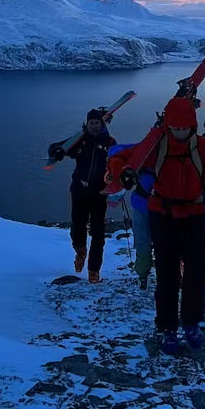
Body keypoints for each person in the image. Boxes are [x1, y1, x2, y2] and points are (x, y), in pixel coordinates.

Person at [141, 96, 205, 355]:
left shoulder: (202, 148)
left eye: (184, 128)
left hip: (193, 216)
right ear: (168, 125)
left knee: (196, 274)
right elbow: (134, 164)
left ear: (192, 125)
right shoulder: (157, 145)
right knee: (167, 276)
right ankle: (168, 328)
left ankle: (191, 323)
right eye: (175, 128)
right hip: (163, 217)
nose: (180, 133)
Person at [49, 108, 115, 283]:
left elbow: (119, 160)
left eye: (97, 123)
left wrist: (117, 177)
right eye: (91, 123)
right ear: (87, 124)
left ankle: (94, 271)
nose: (94, 126)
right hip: (79, 191)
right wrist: (56, 152)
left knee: (98, 233)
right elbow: (56, 147)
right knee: (77, 228)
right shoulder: (79, 141)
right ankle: (80, 250)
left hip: (99, 193)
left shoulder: (109, 142)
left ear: (102, 124)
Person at [107, 143, 155, 290]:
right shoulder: (146, 148)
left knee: (167, 244)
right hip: (143, 205)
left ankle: (170, 276)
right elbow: (115, 150)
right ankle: (142, 275)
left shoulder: (180, 153)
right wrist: (120, 167)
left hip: (166, 208)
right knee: (142, 243)